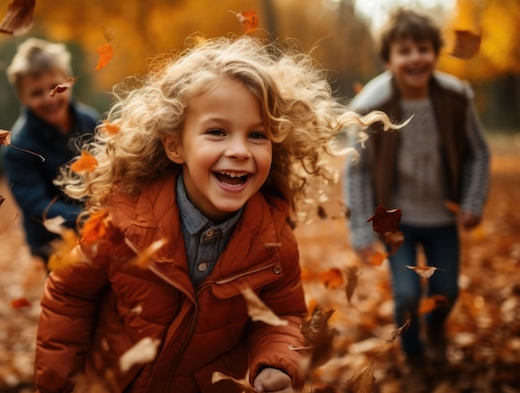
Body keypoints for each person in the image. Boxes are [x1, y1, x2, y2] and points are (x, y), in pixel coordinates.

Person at [34, 35, 394, 393]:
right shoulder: (123, 227)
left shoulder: (273, 242)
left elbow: (282, 316)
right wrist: (59, 383)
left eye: (257, 135)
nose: (238, 150)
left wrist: (276, 363)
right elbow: (69, 295)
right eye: (217, 132)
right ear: (175, 145)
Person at [343, 8, 490, 391]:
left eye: (423, 48)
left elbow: (477, 152)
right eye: (403, 50)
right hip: (398, 221)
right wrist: (360, 232)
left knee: (446, 292)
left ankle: (436, 330)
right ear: (388, 58)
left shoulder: (457, 98)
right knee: (407, 294)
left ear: (435, 52)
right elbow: (356, 172)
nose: (414, 57)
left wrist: (473, 201)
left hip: (442, 218)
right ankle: (413, 354)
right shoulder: (370, 108)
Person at [3, 38, 100, 265]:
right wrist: (89, 217)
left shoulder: (90, 121)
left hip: (98, 228)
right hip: (53, 242)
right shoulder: (19, 146)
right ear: (22, 97)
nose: (49, 98)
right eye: (36, 93)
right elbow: (37, 205)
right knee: (69, 296)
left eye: (56, 87)